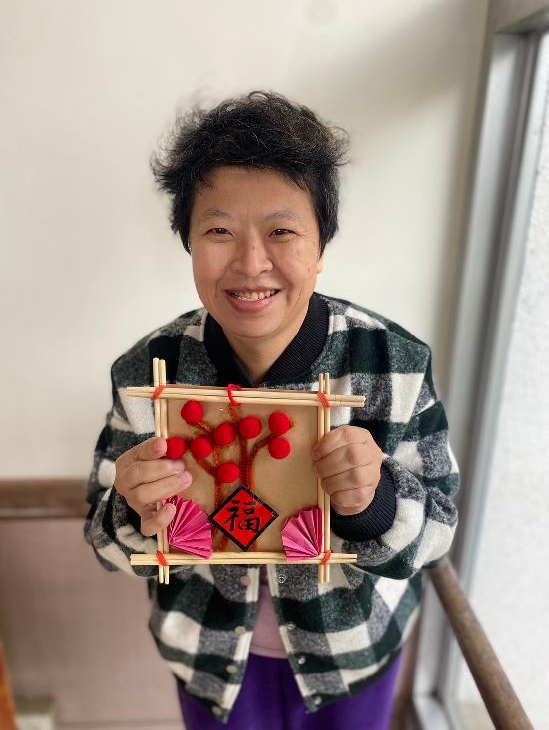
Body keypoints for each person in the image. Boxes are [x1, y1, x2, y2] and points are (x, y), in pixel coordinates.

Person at [85, 91, 459, 730]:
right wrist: (132, 509)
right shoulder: (148, 374)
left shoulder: (392, 362)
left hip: (353, 654)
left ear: (321, 246)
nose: (251, 262)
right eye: (219, 231)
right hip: (209, 658)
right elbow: (104, 544)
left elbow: (439, 530)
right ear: (188, 242)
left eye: (282, 231)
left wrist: (376, 503)